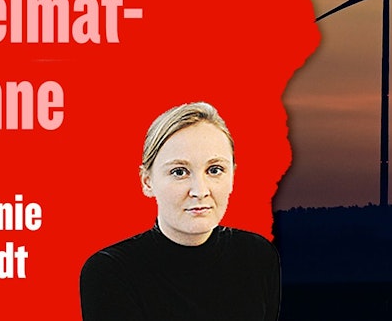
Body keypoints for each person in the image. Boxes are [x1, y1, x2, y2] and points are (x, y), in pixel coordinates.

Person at [80, 102, 281, 320]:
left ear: (233, 176)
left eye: (214, 170)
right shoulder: (110, 271)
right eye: (179, 172)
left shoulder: (258, 256)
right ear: (147, 182)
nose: (200, 191)